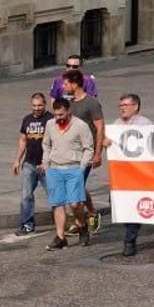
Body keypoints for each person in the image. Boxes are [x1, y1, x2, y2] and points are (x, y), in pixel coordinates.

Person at [41, 96, 93, 250]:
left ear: (68, 111)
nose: (58, 118)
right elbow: (46, 144)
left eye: (61, 115)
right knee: (57, 204)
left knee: (75, 203)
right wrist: (46, 163)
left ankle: (82, 226)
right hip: (55, 168)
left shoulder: (81, 126)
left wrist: (82, 167)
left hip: (73, 168)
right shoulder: (50, 124)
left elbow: (88, 148)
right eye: (56, 115)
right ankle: (60, 237)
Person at [62, 71, 105, 234]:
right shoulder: (69, 104)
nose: (63, 87)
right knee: (75, 186)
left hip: (87, 153)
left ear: (75, 84)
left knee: (74, 186)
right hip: (71, 153)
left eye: (65, 84)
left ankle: (81, 220)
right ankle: (90, 212)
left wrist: (98, 153)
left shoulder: (91, 103)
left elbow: (100, 128)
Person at [116, 94, 154, 256]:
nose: (122, 108)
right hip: (122, 174)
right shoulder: (117, 125)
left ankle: (129, 240)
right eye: (121, 105)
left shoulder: (145, 124)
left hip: (139, 174)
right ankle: (131, 230)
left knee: (133, 206)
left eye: (126, 105)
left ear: (136, 107)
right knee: (119, 205)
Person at [11, 92, 48, 235]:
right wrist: (17, 160)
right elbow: (22, 140)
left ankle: (65, 223)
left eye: (39, 105)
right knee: (26, 195)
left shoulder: (50, 119)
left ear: (44, 105)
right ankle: (27, 224)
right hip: (29, 163)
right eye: (34, 105)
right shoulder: (26, 119)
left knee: (54, 195)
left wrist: (47, 162)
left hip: (46, 165)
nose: (37, 108)